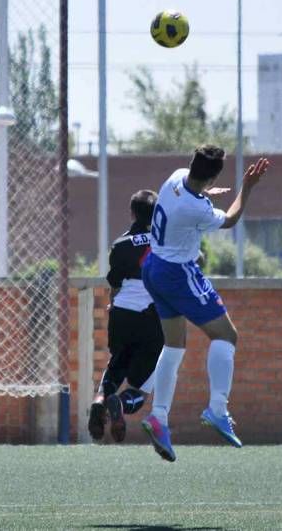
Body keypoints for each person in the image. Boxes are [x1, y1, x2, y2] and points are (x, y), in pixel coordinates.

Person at [140, 145, 270, 462]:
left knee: (173, 346)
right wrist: (246, 188)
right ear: (212, 176)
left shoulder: (176, 177)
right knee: (227, 336)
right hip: (177, 273)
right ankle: (217, 409)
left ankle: (158, 416)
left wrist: (207, 189)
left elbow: (192, 200)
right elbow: (230, 219)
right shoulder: (197, 209)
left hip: (153, 267)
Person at [88, 190, 164, 443]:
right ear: (156, 214)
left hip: (121, 314)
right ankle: (119, 404)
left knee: (116, 364)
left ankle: (99, 401)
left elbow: (115, 283)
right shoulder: (165, 241)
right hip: (152, 317)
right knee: (140, 389)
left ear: (132, 213)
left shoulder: (120, 244)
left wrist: (113, 306)